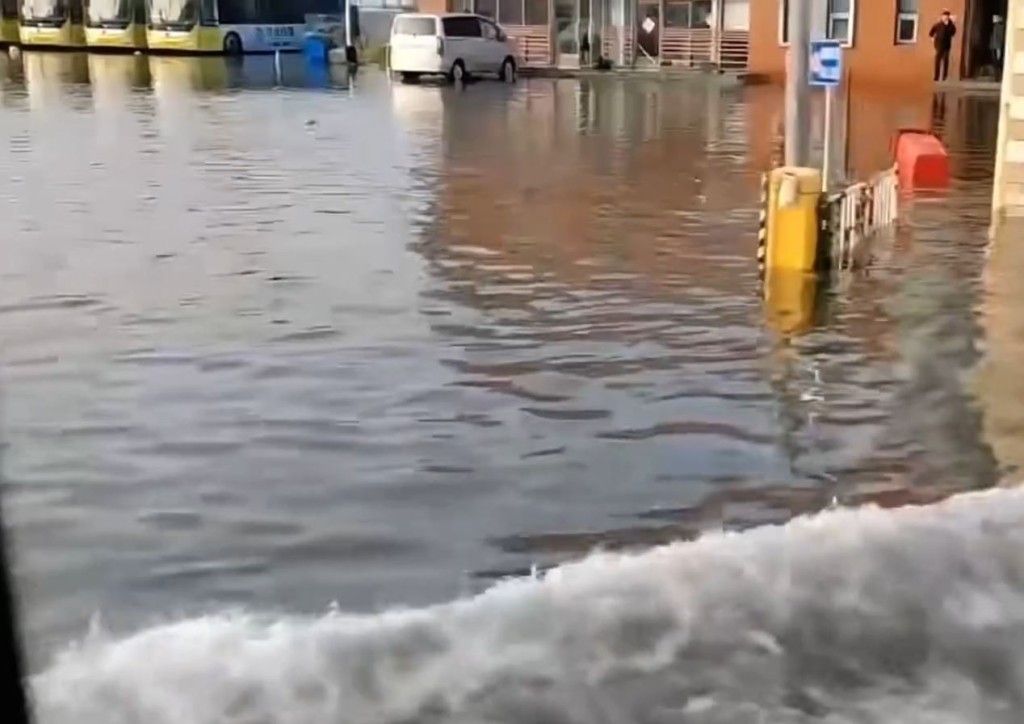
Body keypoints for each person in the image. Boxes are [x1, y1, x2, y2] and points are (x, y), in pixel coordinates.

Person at [929, 10, 957, 82]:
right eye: (944, 16)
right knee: (937, 61)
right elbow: (931, 32)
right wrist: (933, 39)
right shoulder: (938, 25)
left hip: (946, 45)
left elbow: (953, 33)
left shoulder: (950, 25)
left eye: (947, 16)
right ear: (942, 17)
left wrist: (951, 24)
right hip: (939, 45)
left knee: (945, 61)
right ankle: (936, 76)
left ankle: (944, 76)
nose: (945, 17)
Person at [991, 15, 1006, 82]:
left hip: (997, 46)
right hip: (994, 46)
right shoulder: (995, 27)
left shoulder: (999, 27)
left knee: (997, 62)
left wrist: (999, 47)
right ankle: (996, 77)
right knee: (995, 62)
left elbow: (999, 38)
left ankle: (997, 77)